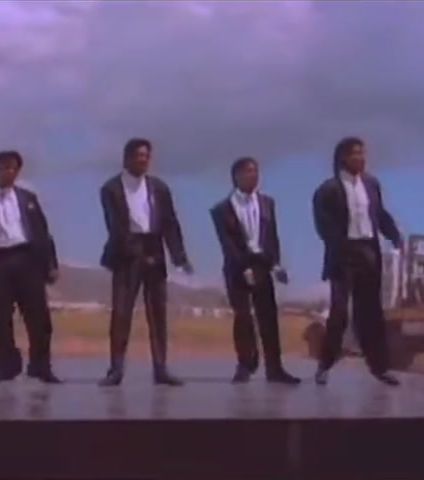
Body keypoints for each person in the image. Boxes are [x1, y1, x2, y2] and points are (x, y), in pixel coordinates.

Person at [98, 138, 193, 386]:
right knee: (122, 313)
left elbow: (170, 223)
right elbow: (115, 226)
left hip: (155, 250)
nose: (143, 160)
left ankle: (161, 368)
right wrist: (136, 253)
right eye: (139, 155)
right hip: (126, 252)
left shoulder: (159, 188)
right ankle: (116, 369)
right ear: (127, 158)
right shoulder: (111, 188)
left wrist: (179, 256)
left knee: (158, 313)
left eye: (146, 156)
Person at [312, 137, 402, 386]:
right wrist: (339, 246)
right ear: (343, 158)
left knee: (371, 313)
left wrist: (394, 235)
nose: (361, 158)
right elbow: (323, 226)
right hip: (343, 254)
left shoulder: (371, 184)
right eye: (355, 154)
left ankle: (380, 368)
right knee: (339, 312)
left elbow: (379, 214)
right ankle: (325, 364)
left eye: (363, 153)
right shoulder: (328, 190)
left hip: (369, 251)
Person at [0, 151, 61, 384]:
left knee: (38, 317)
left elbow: (42, 232)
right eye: (5, 167)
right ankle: (7, 366)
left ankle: (40, 365)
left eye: (14, 168)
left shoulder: (27, 198)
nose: (10, 172)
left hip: (27, 259)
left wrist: (51, 263)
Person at [210, 157, 301, 385]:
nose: (254, 175)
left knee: (268, 317)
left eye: (256, 171)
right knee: (243, 317)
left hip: (262, 264)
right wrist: (244, 267)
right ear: (237, 176)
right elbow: (227, 244)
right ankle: (245, 364)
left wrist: (275, 264)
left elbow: (271, 236)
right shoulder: (222, 209)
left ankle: (275, 368)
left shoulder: (267, 203)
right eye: (249, 171)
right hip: (237, 266)